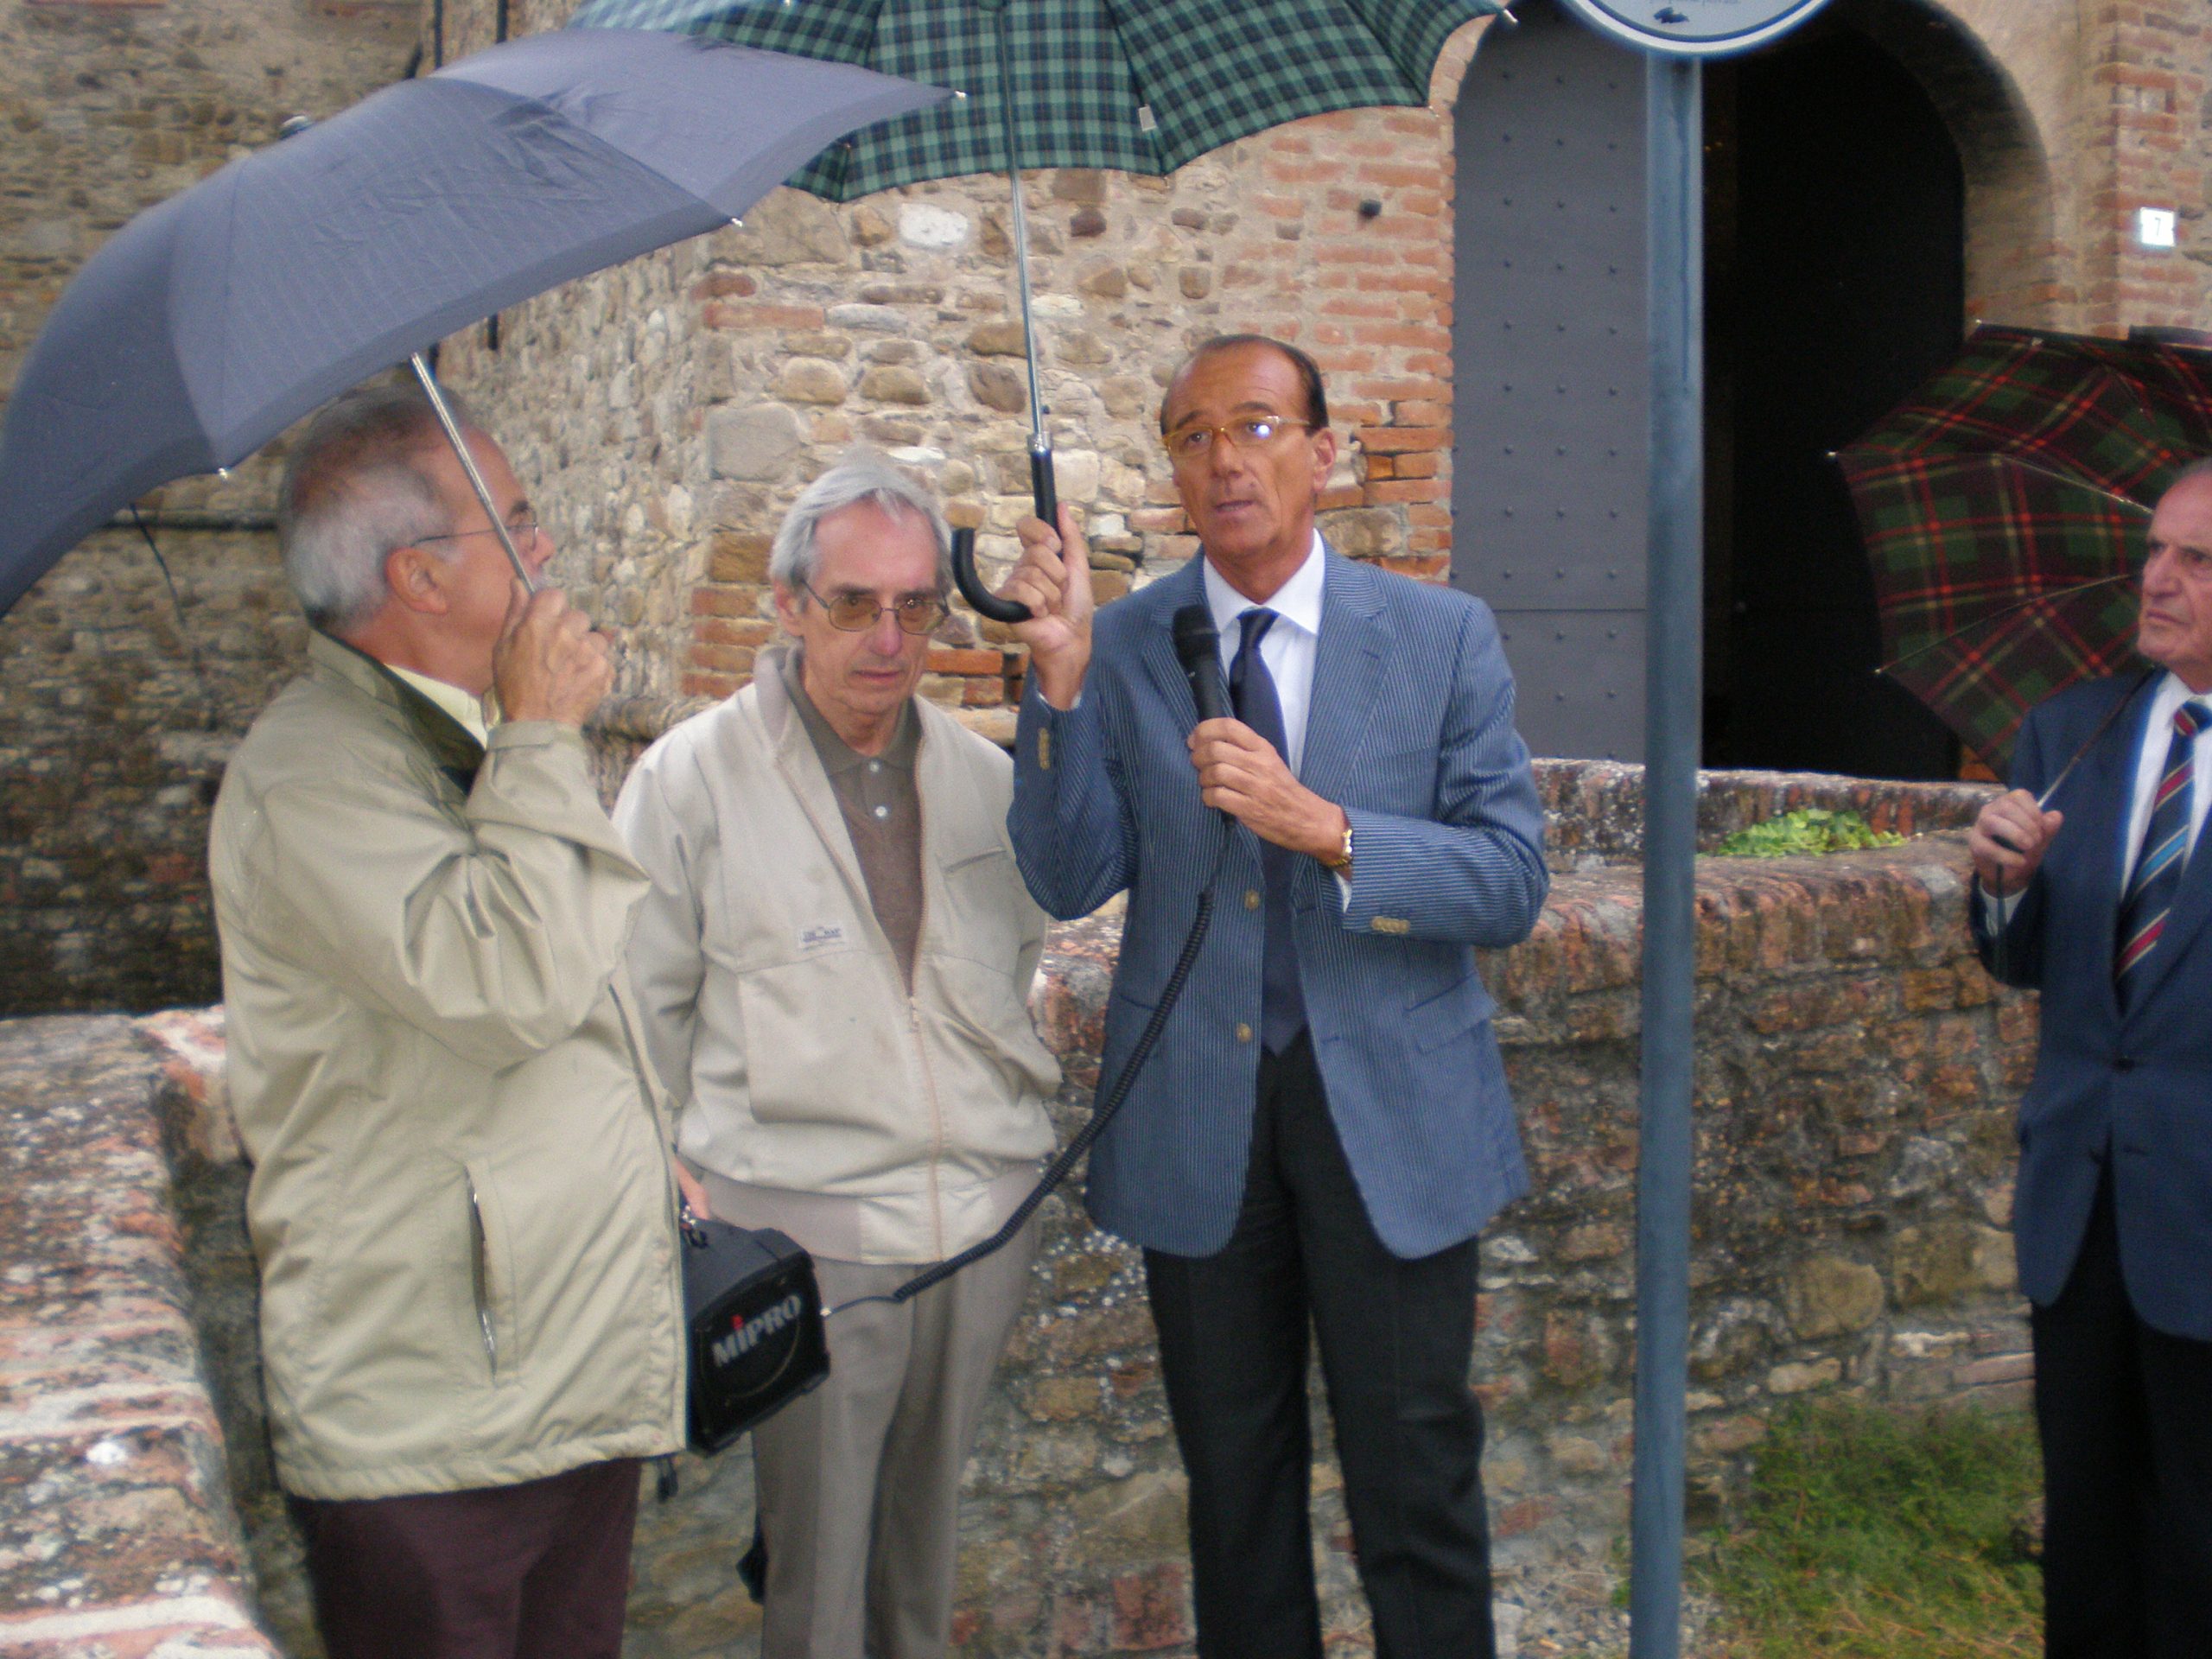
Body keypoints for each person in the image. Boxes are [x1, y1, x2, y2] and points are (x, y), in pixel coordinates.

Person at [1000, 334, 1549, 1658]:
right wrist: (1058, 683)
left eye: (1254, 425)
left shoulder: (1439, 635)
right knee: (1235, 1495)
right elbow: (1070, 875)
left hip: (1392, 1119)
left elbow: (1513, 878)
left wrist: (1332, 830)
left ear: (1324, 450)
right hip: (1200, 1119)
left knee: (1415, 1480)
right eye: (1192, 435)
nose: (1224, 459)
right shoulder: (1126, 644)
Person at [207, 384, 691, 1659]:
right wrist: (542, 736)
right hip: (434, 1420)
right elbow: (507, 987)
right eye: (519, 524)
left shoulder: (454, 737)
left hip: (560, 1382)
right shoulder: (312, 772)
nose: (546, 550)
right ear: (420, 577)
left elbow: (580, 986)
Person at [613, 450, 1060, 1659]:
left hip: (976, 1228)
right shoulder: (689, 779)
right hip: (801, 1240)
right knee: (815, 1593)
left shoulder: (980, 777)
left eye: (917, 605)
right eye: (856, 603)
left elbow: (1011, 971)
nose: (889, 635)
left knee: (923, 1566)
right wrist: (671, 1190)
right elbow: (628, 1011)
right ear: (787, 604)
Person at [1968, 459, 2212, 1658]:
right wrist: (2005, 886)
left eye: (2198, 561)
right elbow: (2021, 962)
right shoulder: (2075, 730)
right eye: (2156, 551)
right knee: (2090, 1530)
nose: (2157, 581)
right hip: (2080, 1198)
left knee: (2201, 1539)